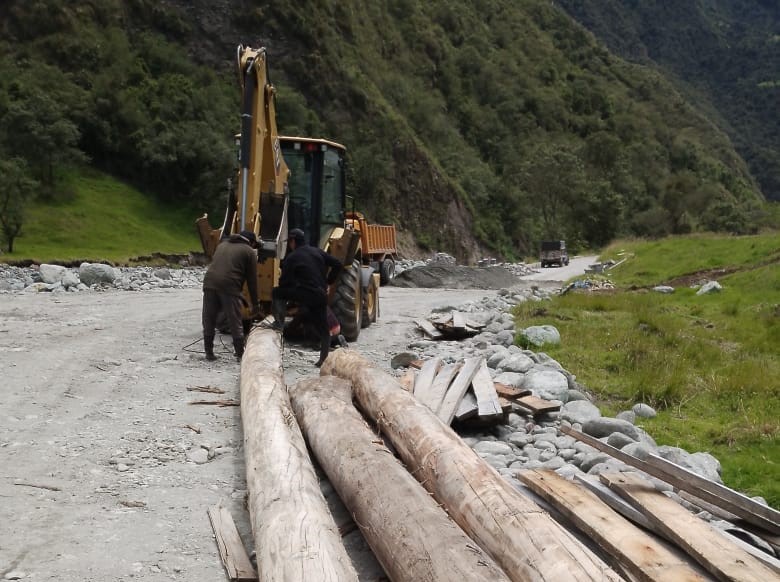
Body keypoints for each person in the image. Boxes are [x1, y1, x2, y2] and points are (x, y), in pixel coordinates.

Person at [267, 228, 343, 367]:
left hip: (304, 294)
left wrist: (289, 296)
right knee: (324, 330)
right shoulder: (317, 251)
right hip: (320, 295)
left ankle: (279, 323)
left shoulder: (292, 257)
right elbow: (338, 264)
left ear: (293, 241)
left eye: (290, 242)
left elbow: (284, 282)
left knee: (277, 292)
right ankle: (323, 360)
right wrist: (328, 281)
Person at [202, 230, 259, 360]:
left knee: (209, 317)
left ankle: (209, 353)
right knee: (234, 319)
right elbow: (252, 280)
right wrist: (255, 304)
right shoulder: (249, 251)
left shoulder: (222, 245)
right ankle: (240, 353)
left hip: (209, 282)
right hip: (229, 284)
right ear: (252, 242)